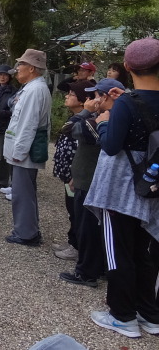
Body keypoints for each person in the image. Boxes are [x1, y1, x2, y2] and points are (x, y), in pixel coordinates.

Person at [84, 37, 159, 338]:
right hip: (151, 185)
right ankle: (149, 314)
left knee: (118, 252)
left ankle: (122, 316)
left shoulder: (127, 103)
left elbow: (112, 145)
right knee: (144, 252)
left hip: (121, 188)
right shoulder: (132, 98)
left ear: (127, 66)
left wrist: (104, 120)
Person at [57, 79, 117, 287]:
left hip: (90, 180)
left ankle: (87, 272)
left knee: (88, 227)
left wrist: (83, 112)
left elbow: (68, 129)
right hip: (86, 177)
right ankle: (97, 267)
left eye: (96, 96)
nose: (92, 100)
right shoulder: (103, 119)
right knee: (90, 226)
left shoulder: (101, 120)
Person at [3, 49, 52, 247]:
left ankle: (26, 233)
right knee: (24, 192)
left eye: (20, 65)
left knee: (23, 193)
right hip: (24, 150)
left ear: (31, 68)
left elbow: (27, 124)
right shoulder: (33, 88)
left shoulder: (34, 90)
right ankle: (28, 229)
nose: (17, 69)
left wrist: (19, 152)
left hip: (25, 152)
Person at [51, 80, 92, 261]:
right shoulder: (74, 118)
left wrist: (75, 175)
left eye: (72, 94)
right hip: (68, 175)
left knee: (77, 212)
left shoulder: (85, 121)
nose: (67, 96)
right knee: (71, 209)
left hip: (76, 177)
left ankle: (78, 247)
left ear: (84, 100)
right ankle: (72, 240)